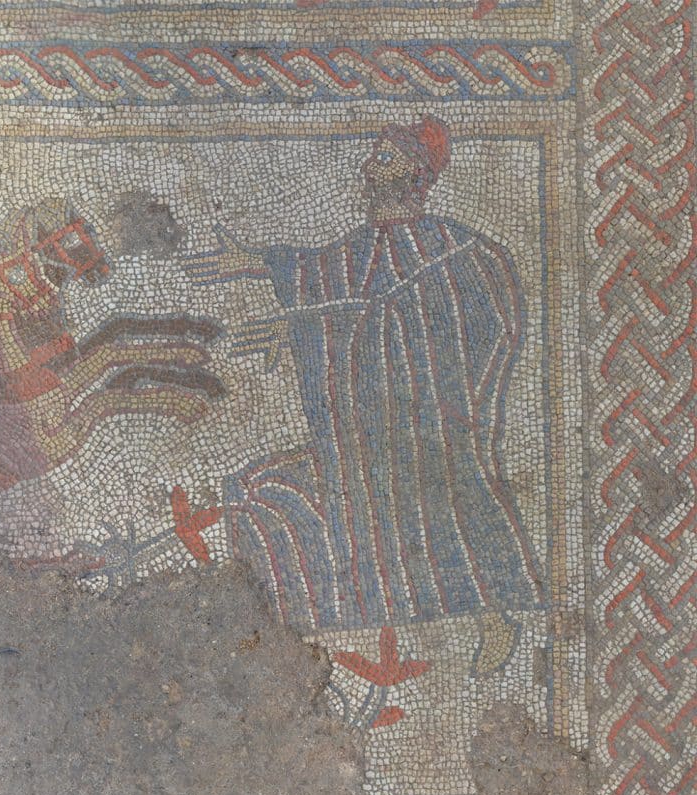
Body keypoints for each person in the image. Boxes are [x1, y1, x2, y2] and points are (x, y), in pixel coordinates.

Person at [182, 116, 544, 631]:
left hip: (430, 445)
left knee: (438, 519)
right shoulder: (359, 248)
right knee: (255, 491)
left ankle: (484, 613)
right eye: (374, 155)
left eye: (385, 157)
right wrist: (253, 262)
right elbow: (316, 272)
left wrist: (302, 330)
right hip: (362, 450)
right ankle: (317, 620)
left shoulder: (455, 249)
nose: (369, 166)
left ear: (416, 175)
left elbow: (455, 322)